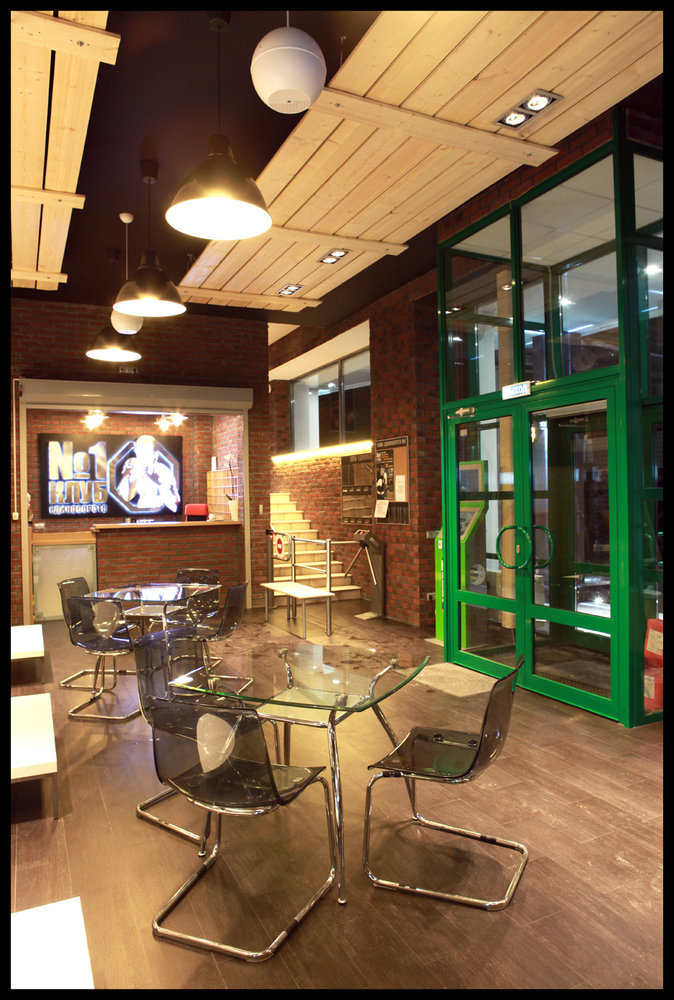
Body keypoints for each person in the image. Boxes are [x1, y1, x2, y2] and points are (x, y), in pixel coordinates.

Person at [117, 434, 180, 512]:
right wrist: (128, 478)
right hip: (139, 510)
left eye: (147, 452)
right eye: (140, 452)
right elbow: (124, 498)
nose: (143, 456)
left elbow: (174, 506)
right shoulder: (133, 466)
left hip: (159, 512)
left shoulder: (162, 470)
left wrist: (159, 484)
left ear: (155, 454)